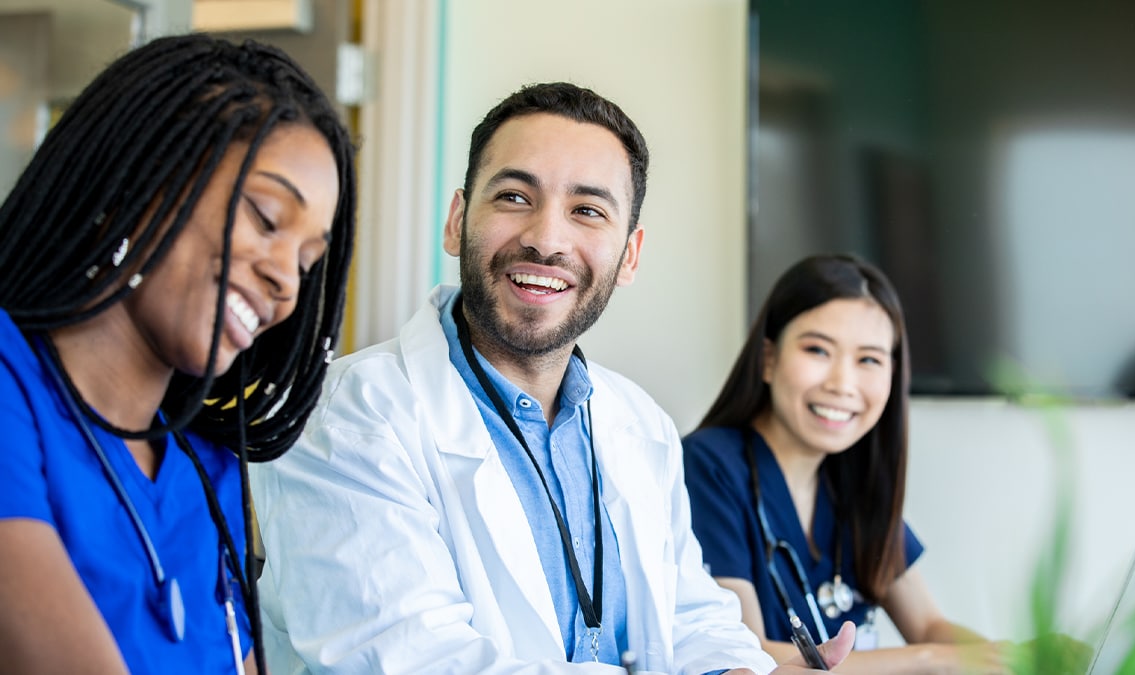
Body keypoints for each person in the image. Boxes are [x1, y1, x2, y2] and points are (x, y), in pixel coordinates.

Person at [249, 82, 852, 674]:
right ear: (458, 220)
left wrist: (743, 673)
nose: (545, 239)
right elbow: (411, 659)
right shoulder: (346, 415)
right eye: (514, 197)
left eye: (587, 211)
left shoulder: (640, 424)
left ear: (630, 256)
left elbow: (689, 617)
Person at [0, 33, 356, 674]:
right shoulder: (10, 387)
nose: (286, 281)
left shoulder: (204, 468)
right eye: (266, 218)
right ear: (140, 175)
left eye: (308, 261)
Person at [683, 255, 1010, 674]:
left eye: (869, 359)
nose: (842, 384)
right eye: (818, 350)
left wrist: (1019, 660)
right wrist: (929, 661)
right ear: (768, 359)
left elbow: (929, 625)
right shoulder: (708, 466)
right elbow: (744, 653)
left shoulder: (852, 480)